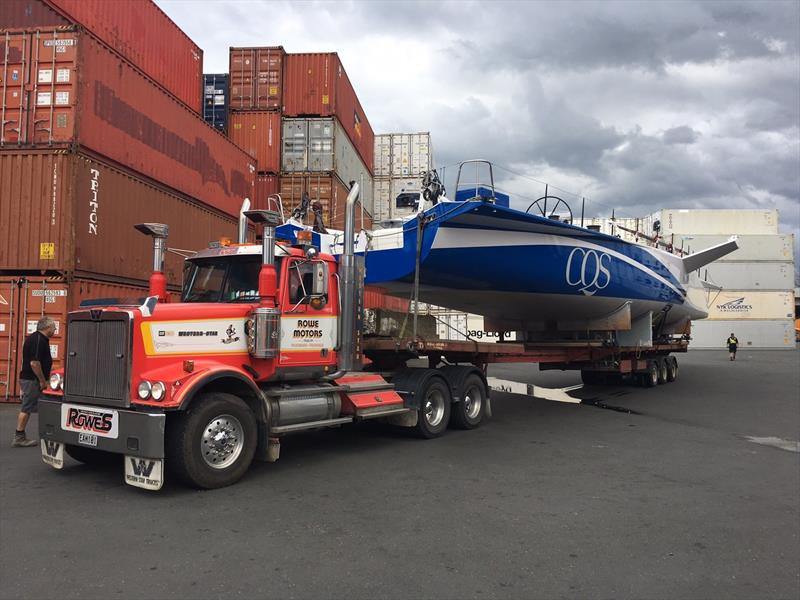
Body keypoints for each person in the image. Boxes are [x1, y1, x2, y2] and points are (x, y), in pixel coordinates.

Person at [12, 316, 56, 447]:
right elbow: (34, 363)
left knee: (43, 406)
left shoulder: (40, 339)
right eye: (54, 327)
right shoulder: (38, 340)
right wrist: (42, 381)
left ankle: (50, 434)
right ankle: (19, 437)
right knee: (27, 407)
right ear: (47, 327)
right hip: (32, 380)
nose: (55, 330)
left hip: (32, 379)